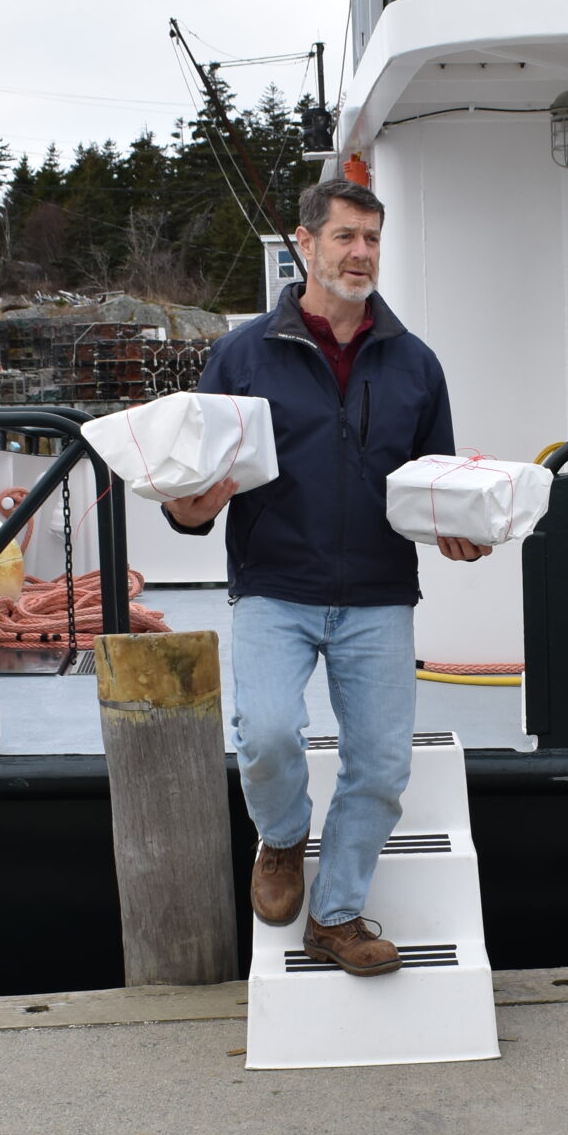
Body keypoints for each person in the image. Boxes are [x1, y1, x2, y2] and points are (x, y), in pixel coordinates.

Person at [162, 178, 490, 975]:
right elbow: (192, 491)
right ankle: (280, 839)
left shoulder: (417, 363)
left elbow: (434, 483)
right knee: (268, 735)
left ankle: (336, 916)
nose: (362, 253)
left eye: (372, 238)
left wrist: (460, 532)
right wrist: (190, 511)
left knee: (381, 765)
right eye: (345, 237)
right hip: (275, 584)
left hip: (379, 592)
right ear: (304, 245)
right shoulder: (240, 354)